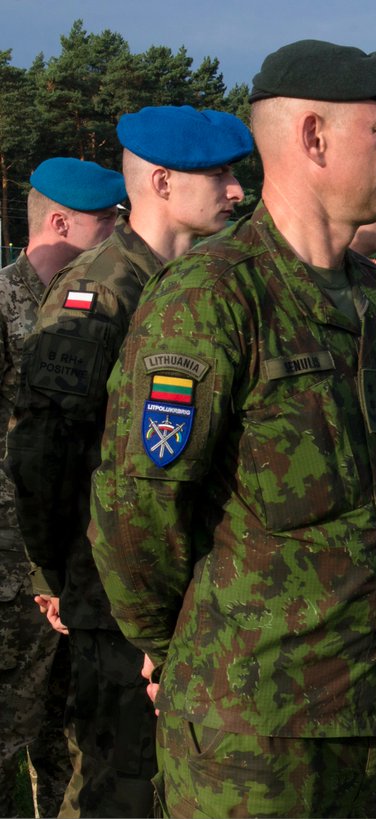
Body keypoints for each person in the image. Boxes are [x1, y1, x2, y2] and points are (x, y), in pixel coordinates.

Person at [88, 39, 376, 816]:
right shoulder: (213, 297)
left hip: (373, 719)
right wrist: (180, 650)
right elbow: (136, 516)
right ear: (314, 138)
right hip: (252, 740)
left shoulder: (373, 302)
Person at [9, 106, 251, 818]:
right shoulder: (101, 290)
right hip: (110, 583)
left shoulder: (202, 281)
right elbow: (43, 451)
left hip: (186, 582)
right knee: (117, 782)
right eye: (219, 174)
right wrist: (55, 574)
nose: (237, 191)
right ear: (164, 182)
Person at [0, 157, 124, 818]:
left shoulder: (102, 304)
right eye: (107, 220)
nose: (119, 233)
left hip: (74, 558)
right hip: (8, 571)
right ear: (59, 223)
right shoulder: (4, 303)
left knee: (69, 738)